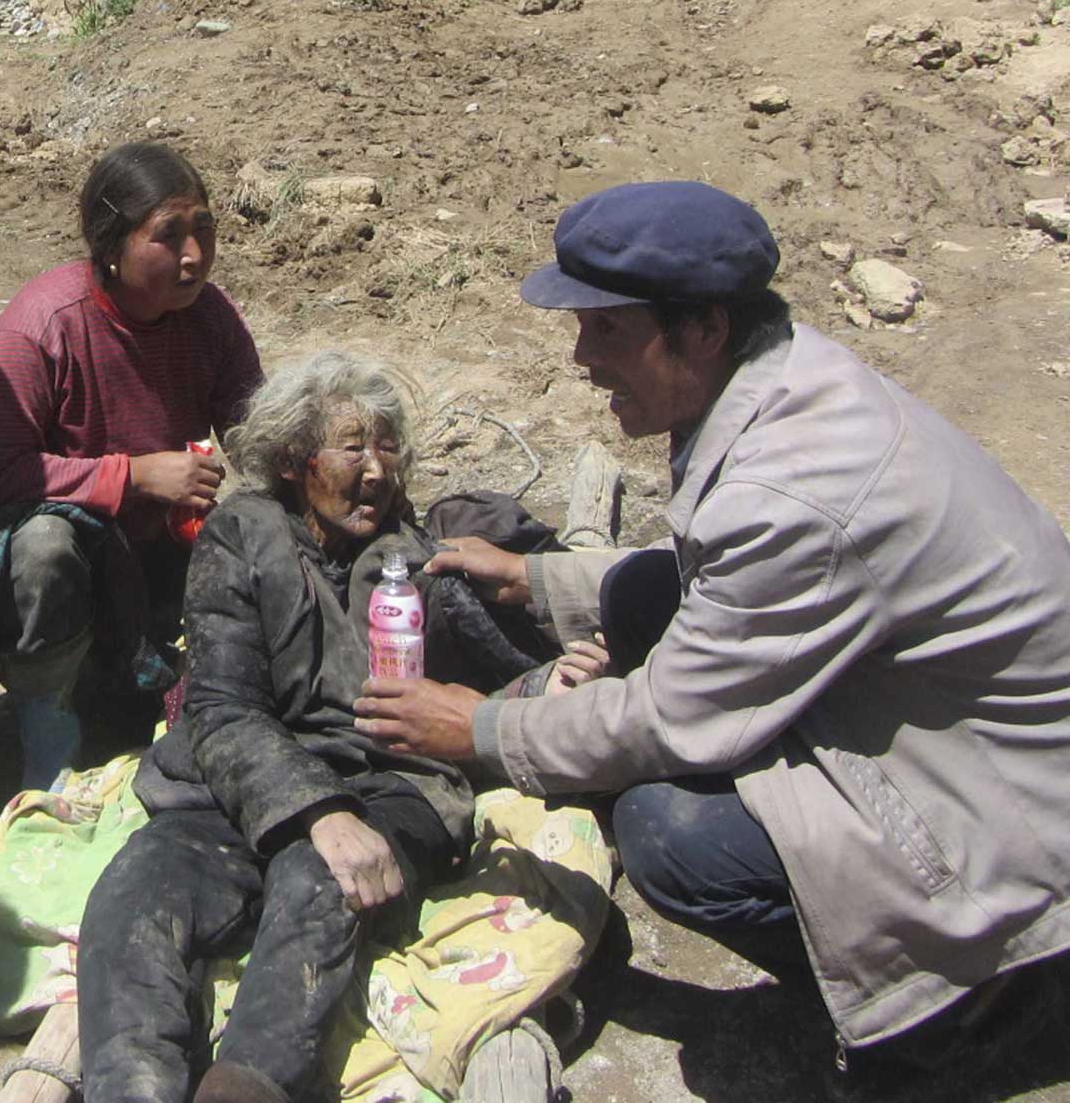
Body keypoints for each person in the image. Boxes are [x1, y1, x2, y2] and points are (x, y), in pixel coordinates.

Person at [357, 180, 1070, 1078]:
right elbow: (712, 576)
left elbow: (672, 718)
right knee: (644, 592)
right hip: (951, 725)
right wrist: (534, 578)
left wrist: (481, 729)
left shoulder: (794, 489)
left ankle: (968, 1011)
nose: (581, 356)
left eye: (606, 328)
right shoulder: (778, 373)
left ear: (701, 329)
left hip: (1004, 817)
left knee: (670, 834)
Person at [78, 352, 473, 1103]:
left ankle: (247, 1088)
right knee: (134, 895)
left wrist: (553, 678)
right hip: (240, 785)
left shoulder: (416, 557)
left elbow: (480, 676)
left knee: (321, 882)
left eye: (389, 447)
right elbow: (222, 707)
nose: (377, 470)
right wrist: (314, 811)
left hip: (384, 785)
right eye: (354, 447)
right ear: (295, 460)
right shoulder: (241, 537)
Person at [0, 141, 263, 791]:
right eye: (168, 237)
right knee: (45, 546)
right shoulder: (44, 327)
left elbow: (254, 429)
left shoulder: (209, 317)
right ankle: (46, 726)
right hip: (66, 556)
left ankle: (167, 696)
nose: (194, 255)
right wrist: (136, 476)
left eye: (203, 230)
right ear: (111, 246)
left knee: (258, 535)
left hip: (157, 545)